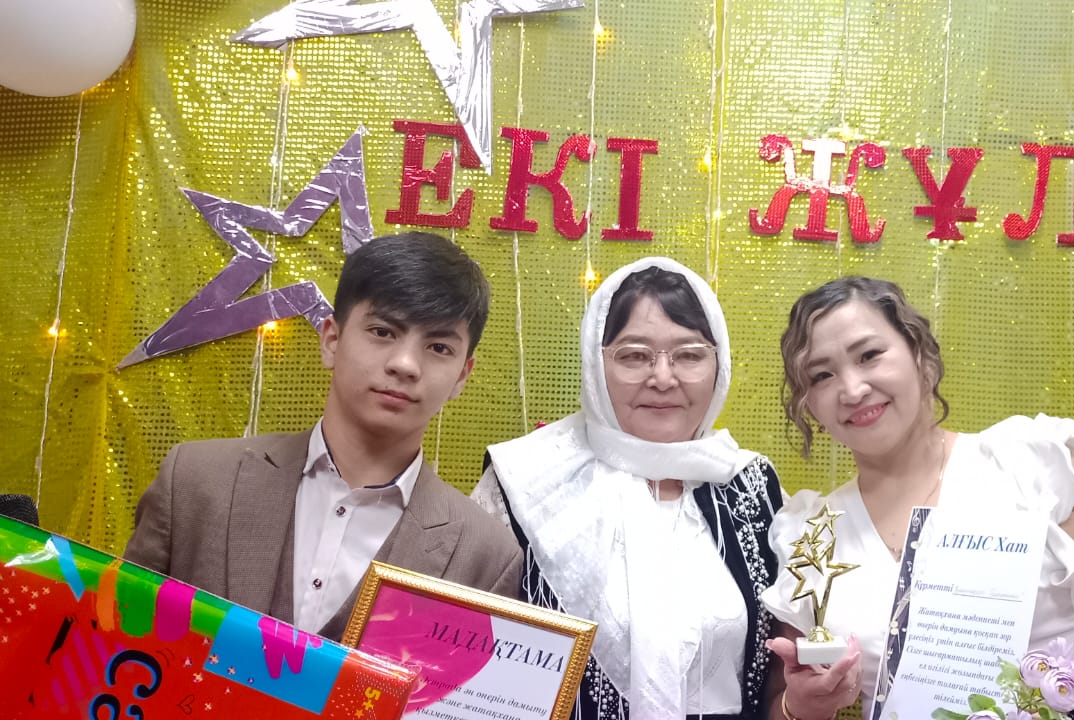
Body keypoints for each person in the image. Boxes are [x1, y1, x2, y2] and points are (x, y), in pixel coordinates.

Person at [762, 277, 1074, 720]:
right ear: (809, 404)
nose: (853, 389)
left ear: (919, 353)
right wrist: (802, 704)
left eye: (869, 355)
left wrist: (1045, 699)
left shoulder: (1024, 466)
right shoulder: (812, 534)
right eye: (822, 375)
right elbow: (782, 701)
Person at [125, 231, 522, 639]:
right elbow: (114, 639)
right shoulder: (194, 481)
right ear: (332, 339)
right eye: (383, 331)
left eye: (438, 348)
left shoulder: (487, 557)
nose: (405, 364)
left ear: (462, 375)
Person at [472, 257, 787, 720]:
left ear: (718, 364)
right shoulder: (525, 480)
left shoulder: (750, 485)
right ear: (595, 365)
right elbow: (470, 663)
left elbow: (778, 673)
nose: (663, 378)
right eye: (634, 355)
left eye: (689, 355)